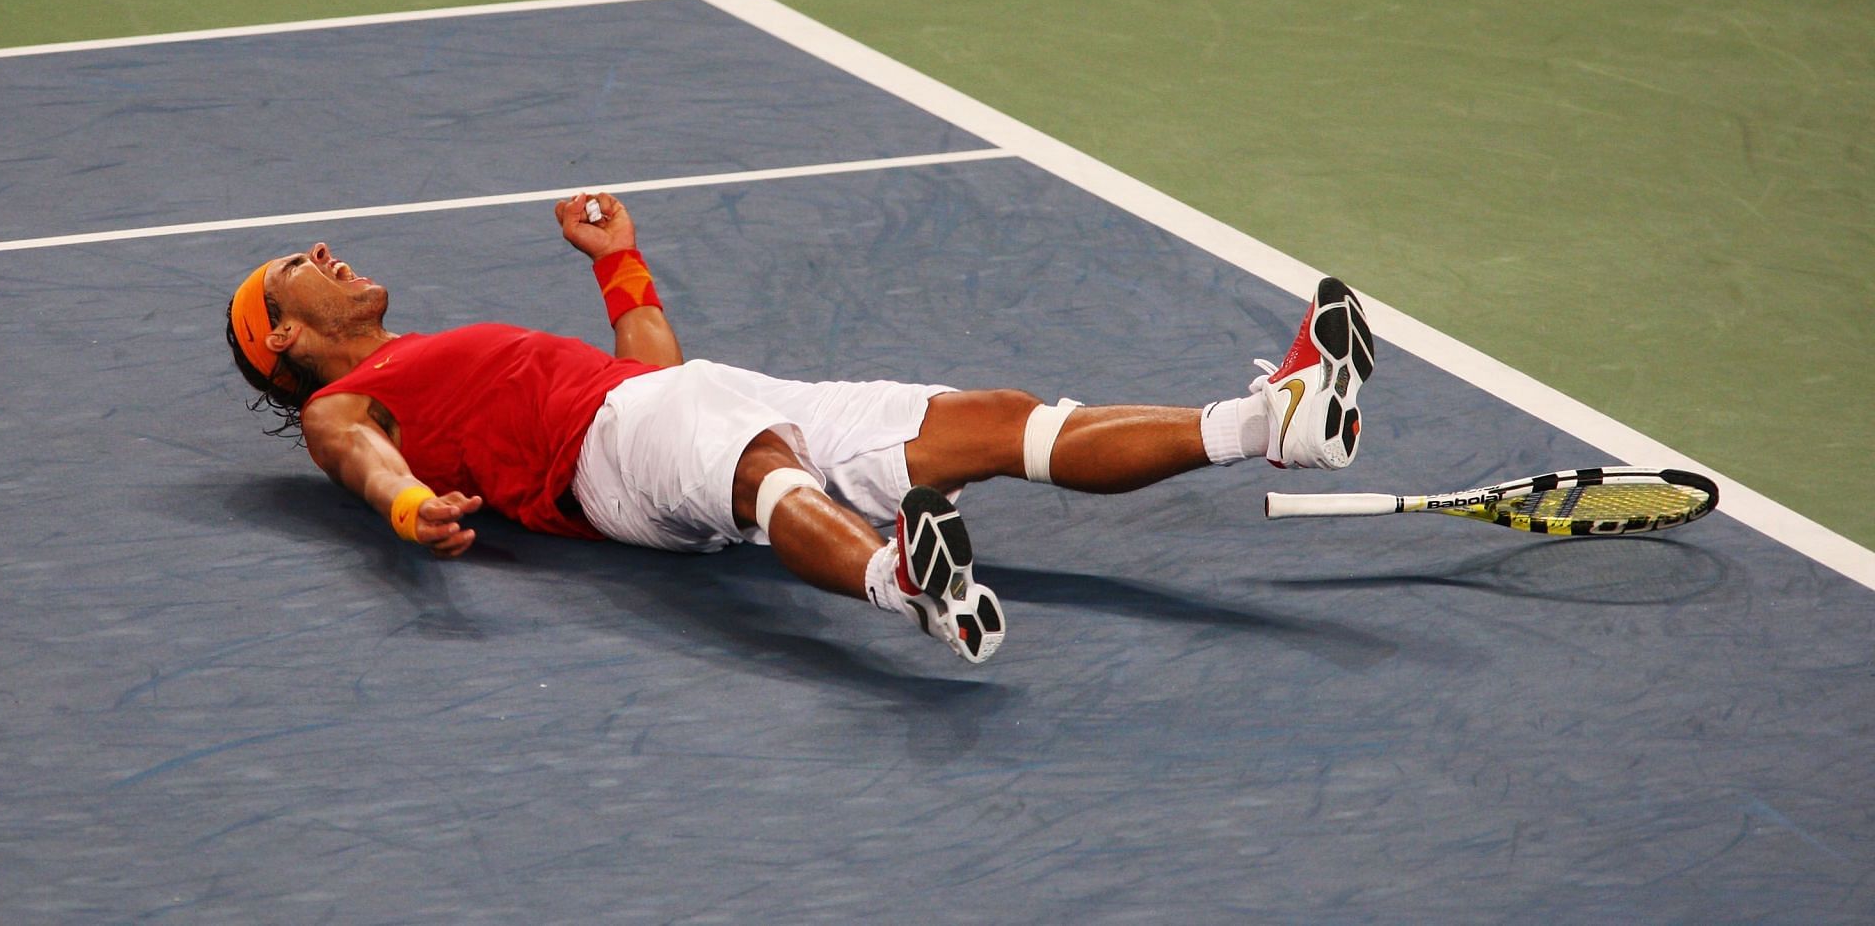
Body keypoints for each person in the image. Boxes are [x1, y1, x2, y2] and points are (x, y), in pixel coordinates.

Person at [225, 192, 1375, 664]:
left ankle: (1274, 420)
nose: (324, 255)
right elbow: (362, 460)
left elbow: (658, 374)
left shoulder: (414, 358)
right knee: (768, 472)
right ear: (286, 338)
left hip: (676, 401)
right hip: (608, 461)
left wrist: (620, 261)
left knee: (999, 423)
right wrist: (408, 505)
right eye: (298, 269)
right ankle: (905, 584)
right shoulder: (342, 403)